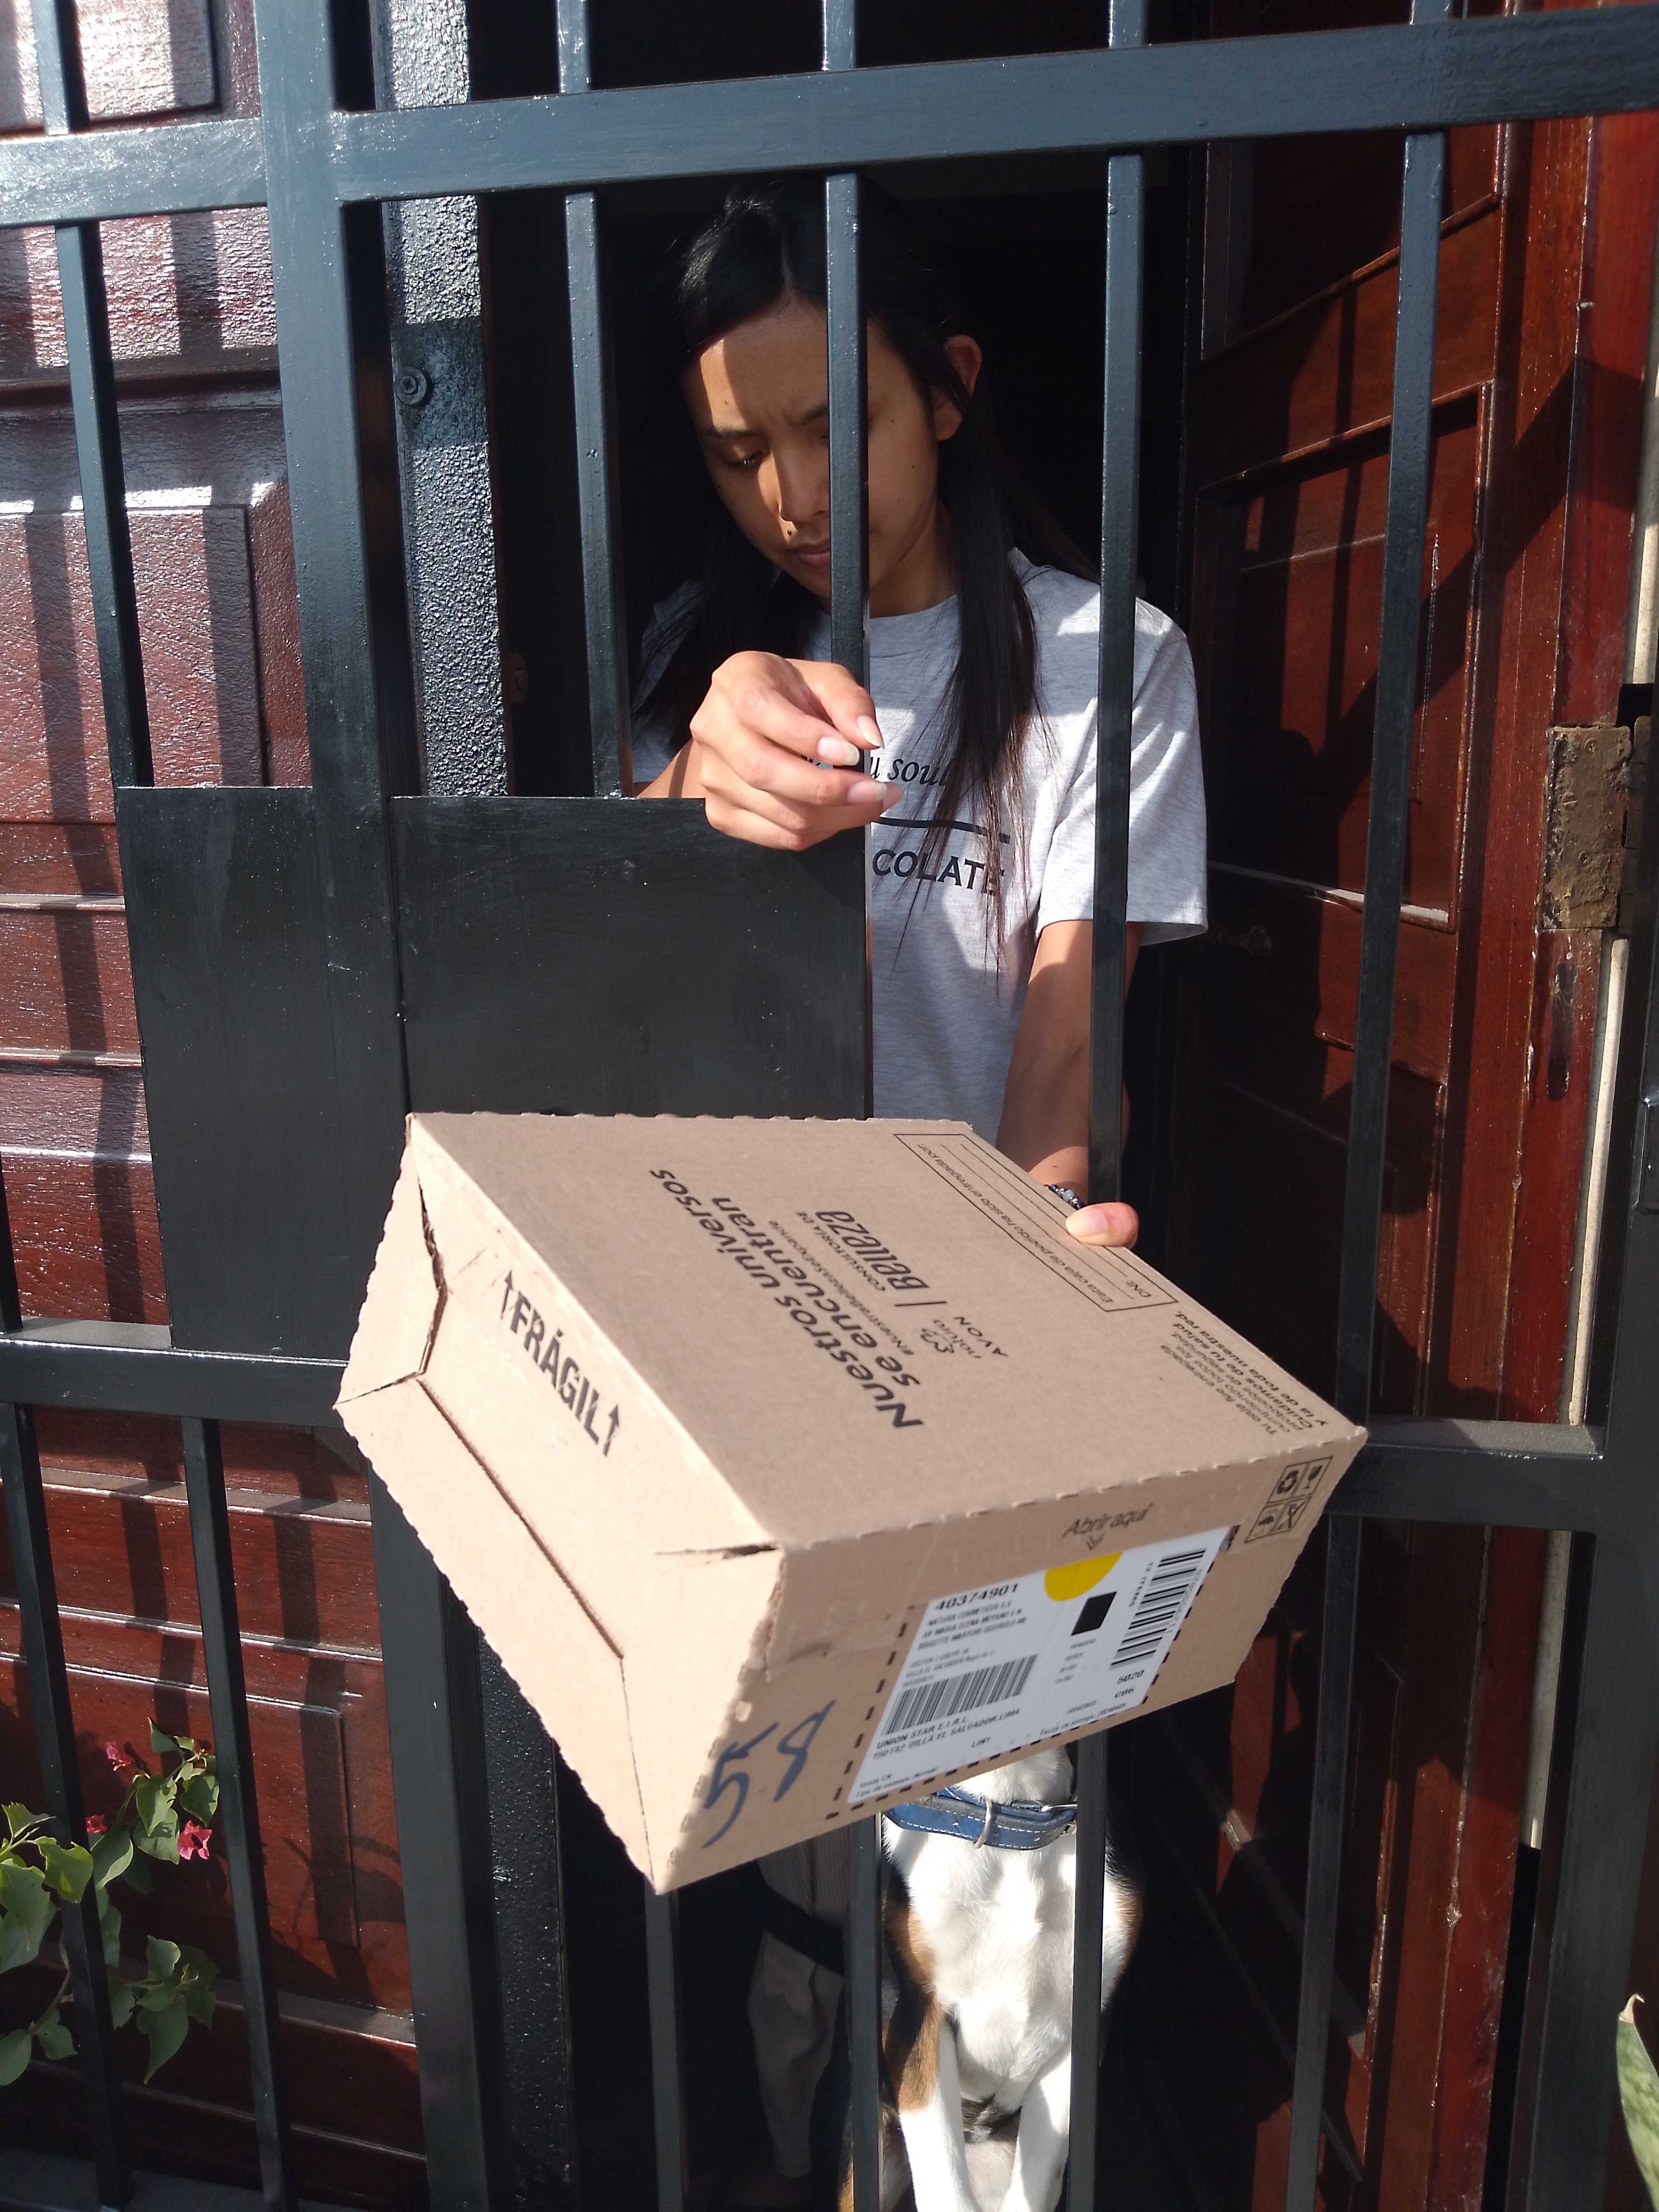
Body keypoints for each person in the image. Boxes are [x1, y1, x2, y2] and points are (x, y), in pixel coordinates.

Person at [631, 178, 1206, 2209]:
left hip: (981, 1374)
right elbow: (625, 1017)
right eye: (737, 451)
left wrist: (1033, 1321)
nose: (790, 494)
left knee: (992, 1944)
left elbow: (1064, 1047)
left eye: (832, 424)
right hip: (750, 1384)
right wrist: (684, 782)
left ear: (945, 389)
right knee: (799, 1925)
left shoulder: (1106, 664)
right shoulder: (707, 671)